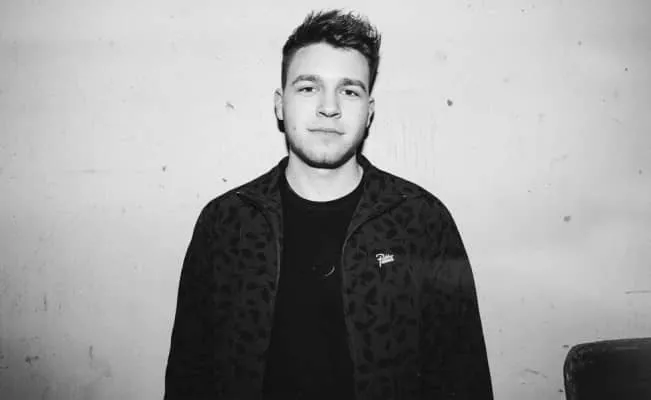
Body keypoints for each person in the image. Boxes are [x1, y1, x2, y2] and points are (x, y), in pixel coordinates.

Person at [164, 9, 493, 400]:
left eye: (349, 91)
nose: (329, 107)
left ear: (369, 111)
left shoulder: (423, 221)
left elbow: (463, 380)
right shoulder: (225, 223)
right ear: (280, 104)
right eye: (308, 88)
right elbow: (188, 377)